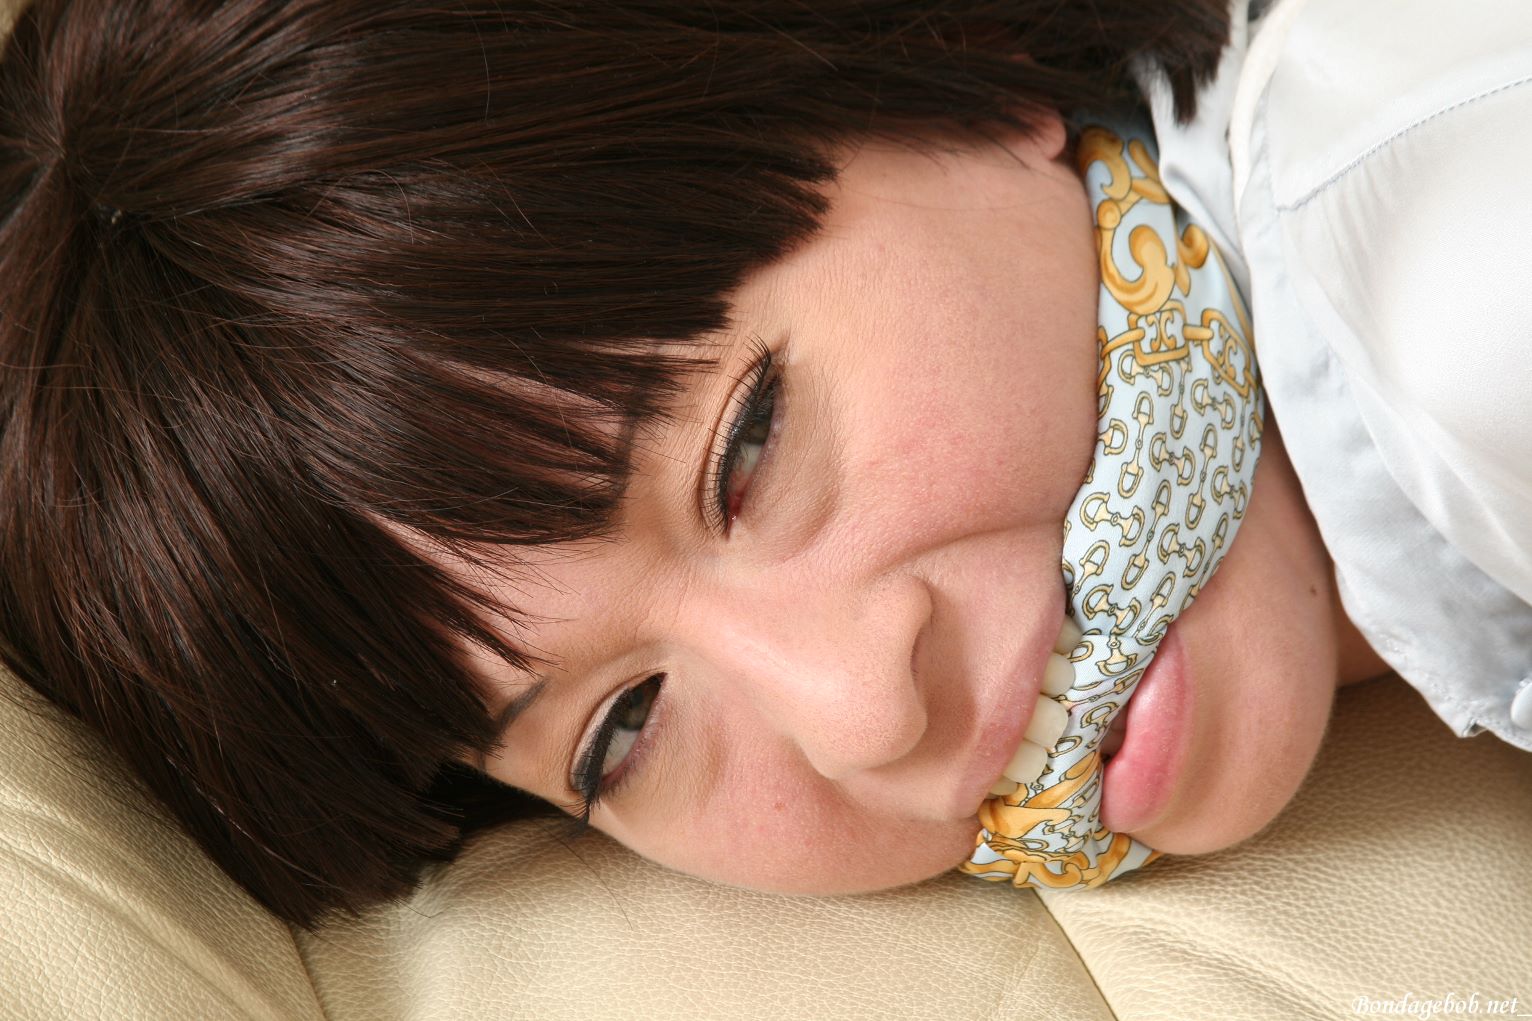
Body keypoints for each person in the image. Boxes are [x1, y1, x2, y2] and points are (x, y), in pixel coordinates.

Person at [0, 0, 1521, 933]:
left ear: (950, 61)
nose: (863, 710)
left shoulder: (1463, 293)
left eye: (749, 444)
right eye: (621, 732)